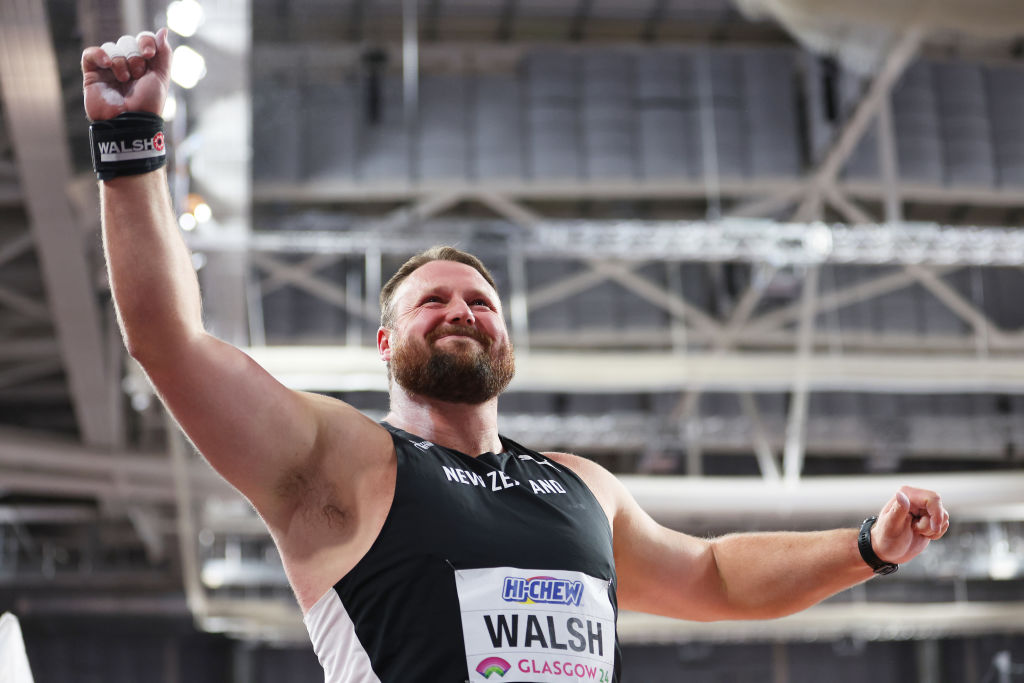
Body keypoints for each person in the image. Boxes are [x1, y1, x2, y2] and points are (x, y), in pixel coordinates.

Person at [82, 29, 950, 683]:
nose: (462, 310)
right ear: (386, 344)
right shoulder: (335, 462)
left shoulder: (581, 487)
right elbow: (169, 342)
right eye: (434, 300)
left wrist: (864, 547)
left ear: (506, 339)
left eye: (482, 302)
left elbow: (716, 573)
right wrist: (132, 152)